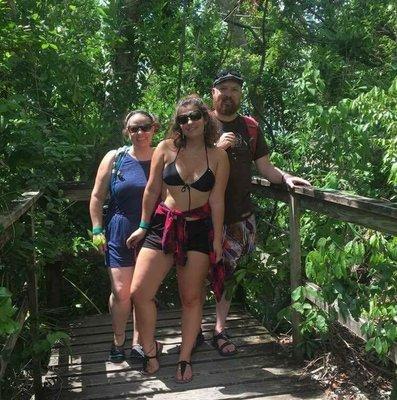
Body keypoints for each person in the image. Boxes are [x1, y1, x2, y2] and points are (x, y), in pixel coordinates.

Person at [206, 69, 311, 356]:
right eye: (223, 88)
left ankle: (219, 329)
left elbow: (265, 168)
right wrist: (215, 148)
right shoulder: (198, 123)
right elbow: (184, 165)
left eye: (235, 90)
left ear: (240, 95)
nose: (229, 94)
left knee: (227, 274)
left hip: (238, 215)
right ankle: (191, 330)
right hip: (199, 215)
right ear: (213, 92)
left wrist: (286, 178)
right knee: (193, 272)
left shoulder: (250, 127)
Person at [127, 95, 229, 383]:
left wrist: (217, 241)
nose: (189, 123)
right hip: (163, 225)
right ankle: (149, 350)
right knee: (140, 292)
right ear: (177, 123)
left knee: (191, 297)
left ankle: (184, 357)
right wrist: (143, 226)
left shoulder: (218, 156)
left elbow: (218, 201)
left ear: (205, 118)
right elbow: (151, 190)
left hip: (198, 229)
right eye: (183, 119)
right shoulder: (165, 148)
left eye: (195, 116)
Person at [89, 110, 157, 363]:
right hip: (119, 229)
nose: (140, 133)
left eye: (145, 127)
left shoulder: (163, 156)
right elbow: (96, 197)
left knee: (143, 291)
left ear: (154, 129)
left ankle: (141, 341)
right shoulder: (115, 157)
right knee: (121, 292)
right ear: (126, 131)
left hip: (153, 232)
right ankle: (118, 338)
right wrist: (97, 231)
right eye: (134, 128)